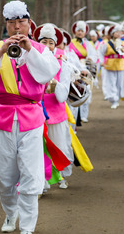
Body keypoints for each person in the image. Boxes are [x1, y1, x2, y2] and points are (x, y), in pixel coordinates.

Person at [0, 0, 60, 234]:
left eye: (21, 22)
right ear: (6, 25)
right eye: (12, 23)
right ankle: (11, 213)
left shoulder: (41, 49)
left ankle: (28, 226)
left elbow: (46, 75)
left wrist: (30, 49)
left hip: (31, 117)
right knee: (4, 176)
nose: (16, 28)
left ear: (29, 24)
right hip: (2, 116)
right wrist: (3, 50)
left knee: (31, 173)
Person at [34, 23, 74, 190]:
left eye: (51, 43)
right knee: (38, 149)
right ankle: (41, 180)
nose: (48, 46)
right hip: (35, 114)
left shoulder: (62, 63)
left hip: (56, 114)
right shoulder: (31, 62)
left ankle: (60, 176)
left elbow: (62, 96)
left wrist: (55, 83)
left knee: (59, 146)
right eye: (44, 42)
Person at [99, 24, 124, 109]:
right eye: (116, 32)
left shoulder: (123, 43)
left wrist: (123, 50)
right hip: (110, 64)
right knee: (111, 83)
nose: (118, 34)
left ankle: (118, 97)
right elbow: (101, 53)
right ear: (112, 34)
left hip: (120, 64)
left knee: (120, 83)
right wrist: (102, 62)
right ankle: (113, 100)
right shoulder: (107, 43)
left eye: (119, 32)